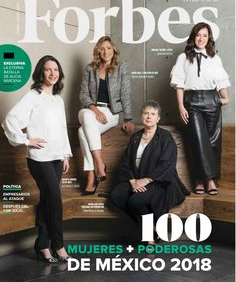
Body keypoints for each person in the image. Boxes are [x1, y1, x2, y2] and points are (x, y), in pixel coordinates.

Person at [2, 55, 72, 263]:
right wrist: (26, 140)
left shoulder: (58, 100)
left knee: (47, 200)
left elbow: (61, 130)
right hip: (39, 158)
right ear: (41, 72)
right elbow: (10, 120)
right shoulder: (33, 96)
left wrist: (65, 154)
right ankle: (58, 245)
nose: (53, 73)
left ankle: (42, 245)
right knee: (55, 200)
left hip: (57, 158)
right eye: (48, 69)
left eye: (56, 70)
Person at [110, 100, 189, 244]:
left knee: (136, 200)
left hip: (160, 182)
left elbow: (167, 165)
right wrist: (133, 181)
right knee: (117, 195)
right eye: (146, 113)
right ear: (141, 116)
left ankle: (148, 236)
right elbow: (125, 163)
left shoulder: (165, 137)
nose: (149, 116)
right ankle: (150, 230)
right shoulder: (135, 137)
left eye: (153, 114)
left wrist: (146, 180)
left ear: (158, 118)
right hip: (136, 180)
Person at [170, 22, 230, 195]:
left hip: (212, 99)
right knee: (197, 139)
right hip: (192, 101)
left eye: (205, 35)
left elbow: (220, 82)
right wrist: (181, 106)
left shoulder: (215, 58)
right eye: (198, 35)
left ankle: (205, 179)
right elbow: (180, 84)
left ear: (209, 38)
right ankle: (205, 180)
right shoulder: (183, 57)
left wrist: (224, 99)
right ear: (193, 37)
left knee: (212, 141)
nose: (201, 38)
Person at [78, 36, 134, 195]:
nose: (106, 51)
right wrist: (95, 110)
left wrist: (128, 119)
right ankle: (100, 164)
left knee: (82, 132)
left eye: (109, 48)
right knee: (87, 116)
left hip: (111, 112)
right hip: (90, 110)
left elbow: (125, 93)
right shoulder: (90, 69)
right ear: (97, 51)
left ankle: (91, 175)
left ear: (113, 49)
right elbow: (83, 94)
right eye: (102, 48)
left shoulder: (121, 67)